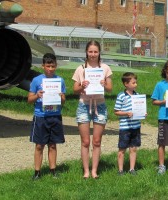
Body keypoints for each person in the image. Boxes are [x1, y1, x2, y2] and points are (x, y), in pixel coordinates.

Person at [72, 40, 113, 179]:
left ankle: (94, 170)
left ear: (99, 52)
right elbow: (75, 89)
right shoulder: (81, 68)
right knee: (85, 141)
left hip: (100, 106)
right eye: (90, 51)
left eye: (95, 51)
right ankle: (86, 171)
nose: (93, 54)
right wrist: (82, 86)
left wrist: (104, 83)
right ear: (86, 52)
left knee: (96, 141)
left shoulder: (105, 68)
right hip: (84, 105)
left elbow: (109, 88)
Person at [28, 53, 66, 180]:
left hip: (55, 115)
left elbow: (63, 100)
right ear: (43, 66)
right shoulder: (37, 80)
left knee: (53, 144)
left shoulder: (60, 80)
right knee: (39, 145)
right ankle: (37, 172)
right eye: (48, 66)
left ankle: (53, 170)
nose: (50, 69)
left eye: (53, 66)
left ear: (56, 66)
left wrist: (61, 97)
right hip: (41, 116)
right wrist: (37, 95)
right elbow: (29, 99)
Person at [114, 72, 145, 176]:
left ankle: (132, 169)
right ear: (126, 84)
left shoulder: (138, 95)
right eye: (133, 82)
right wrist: (126, 113)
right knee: (122, 149)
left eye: (136, 82)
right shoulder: (121, 96)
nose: (135, 84)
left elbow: (140, 109)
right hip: (125, 127)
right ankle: (120, 170)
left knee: (133, 148)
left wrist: (143, 113)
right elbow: (116, 111)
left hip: (136, 126)